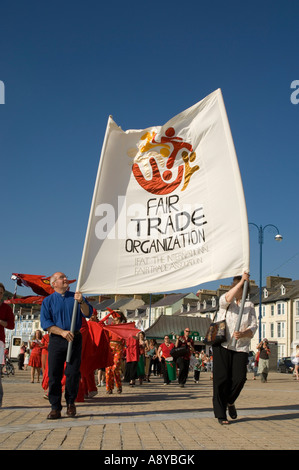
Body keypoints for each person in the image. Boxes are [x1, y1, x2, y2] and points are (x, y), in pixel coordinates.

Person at [40, 272, 93, 419]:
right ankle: (55, 407)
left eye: (65, 277)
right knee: (54, 375)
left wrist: (82, 301)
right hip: (57, 340)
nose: (65, 279)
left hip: (74, 339)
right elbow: (46, 324)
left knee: (72, 373)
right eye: (62, 277)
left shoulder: (75, 297)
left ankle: (71, 403)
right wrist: (62, 332)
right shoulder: (48, 301)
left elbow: (88, 313)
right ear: (54, 283)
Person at [212, 272, 257, 425]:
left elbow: (253, 326)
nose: (238, 289)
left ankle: (230, 401)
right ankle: (221, 414)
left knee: (239, 378)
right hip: (222, 344)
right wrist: (240, 281)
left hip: (240, 347)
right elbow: (225, 299)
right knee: (221, 379)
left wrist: (244, 332)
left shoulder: (249, 305)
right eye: (236, 286)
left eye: (243, 287)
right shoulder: (226, 301)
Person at [0, 283, 15, 407]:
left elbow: (11, 325)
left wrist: (0, 321)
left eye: (0, 293)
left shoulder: (6, 308)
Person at [105, 310, 126, 394]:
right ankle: (109, 388)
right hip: (110, 347)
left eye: (117, 319)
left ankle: (118, 385)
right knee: (108, 369)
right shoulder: (110, 327)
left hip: (118, 347)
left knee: (115, 368)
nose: (115, 321)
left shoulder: (123, 327)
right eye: (114, 319)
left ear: (120, 320)